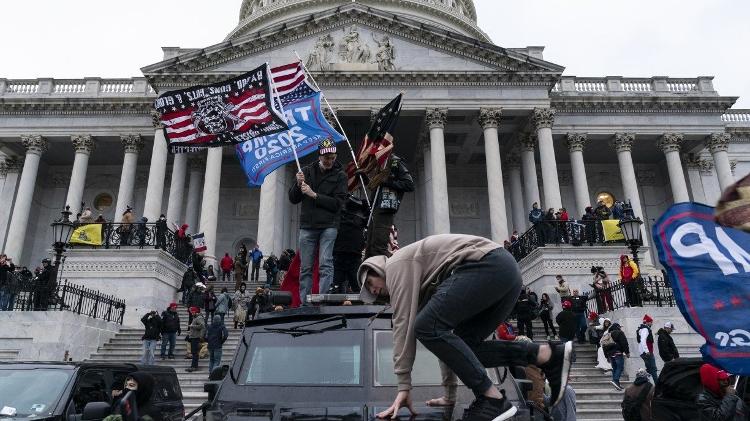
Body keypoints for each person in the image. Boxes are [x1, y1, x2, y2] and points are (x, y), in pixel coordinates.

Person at [357, 234, 574, 420]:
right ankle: (545, 355)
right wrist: (450, 394)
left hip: (489, 265)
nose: (372, 291)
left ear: (377, 268)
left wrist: (404, 386)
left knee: (423, 326)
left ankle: (492, 398)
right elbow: (448, 345)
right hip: (506, 273)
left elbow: (403, 327)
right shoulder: (422, 281)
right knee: (464, 345)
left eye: (370, 283)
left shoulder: (395, 265)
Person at [289, 139, 348, 305]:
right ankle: (305, 303)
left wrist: (314, 195)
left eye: (332, 157)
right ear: (320, 156)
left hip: (329, 225)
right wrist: (298, 184)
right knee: (306, 267)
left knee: (325, 264)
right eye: (326, 157)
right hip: (308, 226)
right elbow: (293, 198)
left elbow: (338, 204)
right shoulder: (306, 171)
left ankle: (323, 301)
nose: (329, 161)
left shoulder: (340, 175)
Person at [364, 153, 414, 258]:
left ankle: (385, 271)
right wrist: (365, 177)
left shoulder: (395, 163)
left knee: (379, 247)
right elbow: (376, 187)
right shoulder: (378, 164)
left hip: (386, 209)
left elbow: (409, 184)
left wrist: (387, 181)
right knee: (370, 247)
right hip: (375, 208)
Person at [332, 195, 368, 293]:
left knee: (339, 285)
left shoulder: (341, 215)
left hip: (345, 254)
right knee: (354, 286)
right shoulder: (361, 217)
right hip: (348, 254)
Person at [602, 322, 629, 391]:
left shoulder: (608, 334)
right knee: (620, 367)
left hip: (610, 354)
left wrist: (606, 356)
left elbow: (604, 346)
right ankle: (615, 380)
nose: (620, 328)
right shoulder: (619, 333)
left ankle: (617, 384)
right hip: (618, 353)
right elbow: (624, 343)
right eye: (619, 327)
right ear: (618, 327)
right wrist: (627, 352)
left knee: (615, 368)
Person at [637, 314, 658, 381]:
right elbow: (643, 340)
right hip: (647, 352)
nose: (652, 323)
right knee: (653, 369)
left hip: (643, 352)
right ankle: (658, 386)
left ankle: (642, 380)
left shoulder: (642, 329)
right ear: (647, 322)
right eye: (651, 322)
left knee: (649, 369)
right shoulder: (645, 329)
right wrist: (647, 351)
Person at [186, 306, 206, 372]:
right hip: (193, 337)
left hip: (196, 337)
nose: (191, 313)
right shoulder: (195, 317)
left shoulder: (199, 317)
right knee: (194, 352)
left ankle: (194, 366)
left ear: (195, 311)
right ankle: (193, 366)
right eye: (191, 312)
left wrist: (192, 326)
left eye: (192, 312)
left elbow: (202, 326)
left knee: (195, 353)